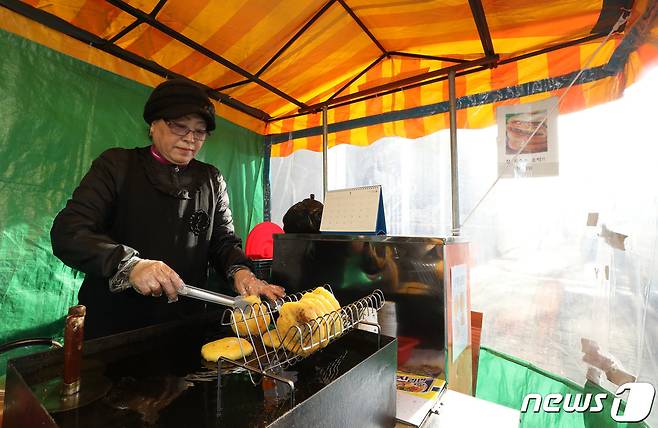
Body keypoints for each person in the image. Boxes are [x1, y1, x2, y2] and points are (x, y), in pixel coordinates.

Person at [50, 78, 285, 339]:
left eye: (200, 131)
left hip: (184, 324)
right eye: (179, 127)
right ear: (153, 125)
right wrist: (130, 265)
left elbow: (223, 242)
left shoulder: (211, 179)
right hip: (116, 324)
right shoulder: (117, 166)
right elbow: (69, 231)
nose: (190, 139)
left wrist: (241, 272)